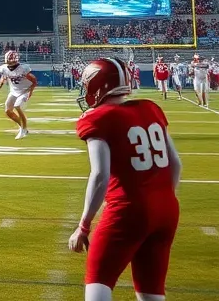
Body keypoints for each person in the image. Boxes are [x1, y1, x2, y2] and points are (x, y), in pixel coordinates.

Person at [69, 57, 181, 301]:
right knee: (151, 292)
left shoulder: (98, 117)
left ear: (97, 85)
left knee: (98, 283)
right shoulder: (151, 108)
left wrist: (84, 225)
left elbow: (100, 175)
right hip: (167, 209)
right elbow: (176, 164)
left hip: (127, 210)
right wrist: (159, 199)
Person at [0, 49, 37, 140]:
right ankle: (22, 126)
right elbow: (3, 78)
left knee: (17, 106)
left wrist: (31, 91)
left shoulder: (23, 68)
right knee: (8, 111)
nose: (11, 60)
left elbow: (34, 80)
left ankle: (23, 130)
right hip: (14, 91)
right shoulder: (4, 68)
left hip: (25, 90)